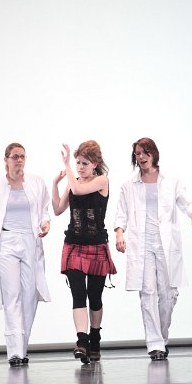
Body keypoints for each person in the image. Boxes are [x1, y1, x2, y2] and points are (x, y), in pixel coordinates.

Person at [114, 137, 192, 361]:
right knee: (148, 293)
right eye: (137, 154)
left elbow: (187, 202)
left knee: (168, 294)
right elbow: (121, 213)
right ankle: (155, 345)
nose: (141, 157)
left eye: (145, 152)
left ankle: (161, 337)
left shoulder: (170, 181)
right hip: (141, 243)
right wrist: (119, 234)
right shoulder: (129, 185)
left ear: (154, 154)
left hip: (166, 243)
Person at [0, 142, 51, 367]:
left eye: (22, 156)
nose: (19, 160)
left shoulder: (36, 182)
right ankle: (15, 352)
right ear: (6, 159)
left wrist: (46, 223)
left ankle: (22, 347)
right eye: (15, 157)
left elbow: (44, 210)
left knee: (30, 295)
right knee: (12, 295)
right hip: (7, 242)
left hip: (30, 241)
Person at [52, 140, 116, 363]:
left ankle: (95, 338)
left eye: (84, 163)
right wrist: (55, 184)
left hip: (96, 245)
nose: (79, 167)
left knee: (95, 297)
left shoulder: (102, 181)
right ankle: (82, 341)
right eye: (77, 162)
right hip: (74, 245)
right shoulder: (73, 182)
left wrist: (67, 165)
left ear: (95, 164)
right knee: (78, 294)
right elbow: (58, 209)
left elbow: (79, 190)